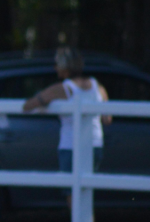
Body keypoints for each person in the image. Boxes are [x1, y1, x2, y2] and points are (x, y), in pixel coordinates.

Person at [23, 47, 110, 188]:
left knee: (71, 192)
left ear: (65, 67)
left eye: (57, 64)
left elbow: (28, 106)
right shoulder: (98, 86)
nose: (55, 68)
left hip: (71, 147)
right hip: (95, 145)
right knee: (87, 190)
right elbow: (107, 119)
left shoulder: (62, 88)